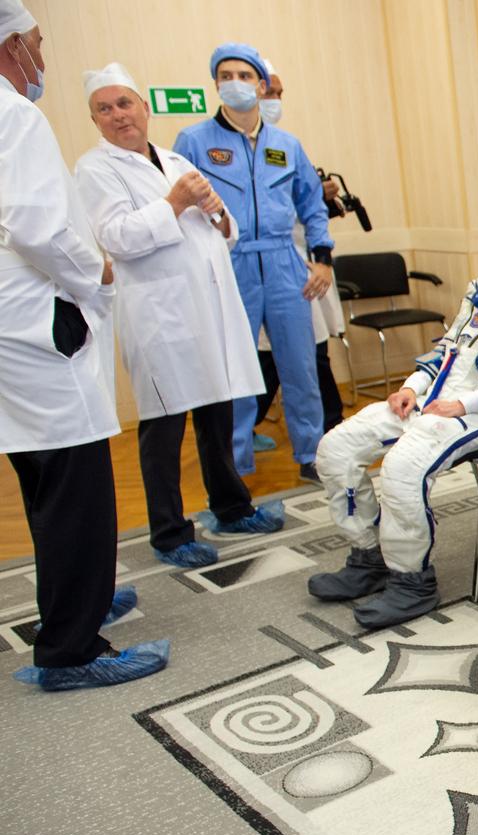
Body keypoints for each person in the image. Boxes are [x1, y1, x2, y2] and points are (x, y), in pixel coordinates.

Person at [308, 193, 478, 629]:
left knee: (403, 467)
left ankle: (411, 580)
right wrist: (411, 388)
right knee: (336, 447)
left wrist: (461, 404)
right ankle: (369, 556)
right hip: (438, 400)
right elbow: (449, 348)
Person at [0, 1, 168, 691]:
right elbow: (37, 226)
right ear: (12, 46)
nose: (42, 56)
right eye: (37, 42)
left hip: (11, 330)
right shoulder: (14, 114)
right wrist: (93, 273)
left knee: (45, 480)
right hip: (36, 324)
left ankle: (75, 602)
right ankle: (72, 649)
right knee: (76, 485)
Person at [74, 63, 284, 569]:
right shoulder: (94, 169)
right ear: (95, 120)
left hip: (206, 310)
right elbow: (117, 237)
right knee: (164, 429)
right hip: (159, 316)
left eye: (124, 103)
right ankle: (170, 533)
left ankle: (231, 508)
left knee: (217, 415)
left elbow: (225, 231)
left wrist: (217, 213)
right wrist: (174, 202)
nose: (118, 114)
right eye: (104, 108)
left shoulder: (172, 159)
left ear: (143, 108)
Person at [172, 42, 334, 481]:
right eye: (225, 76)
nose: (235, 84)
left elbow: (312, 204)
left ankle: (311, 455)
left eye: (244, 76)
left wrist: (322, 259)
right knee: (234, 373)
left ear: (261, 86)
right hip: (229, 263)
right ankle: (235, 466)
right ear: (215, 84)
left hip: (284, 263)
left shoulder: (287, 145)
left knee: (300, 367)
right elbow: (179, 206)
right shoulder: (194, 141)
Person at [252, 59, 346, 449]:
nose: (275, 100)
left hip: (302, 264)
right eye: (269, 91)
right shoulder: (211, 147)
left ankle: (329, 430)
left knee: (311, 352)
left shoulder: (286, 146)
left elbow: (309, 208)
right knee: (268, 358)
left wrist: (319, 198)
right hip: (258, 269)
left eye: (279, 93)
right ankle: (243, 432)